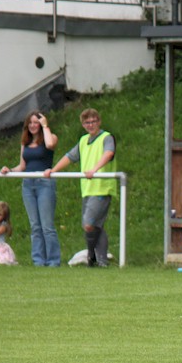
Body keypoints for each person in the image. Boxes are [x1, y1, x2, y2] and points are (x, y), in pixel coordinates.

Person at [45, 108, 116, 268]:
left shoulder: (106, 137)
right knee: (95, 226)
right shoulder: (84, 140)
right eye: (87, 122)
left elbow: (108, 154)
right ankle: (101, 260)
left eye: (93, 121)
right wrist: (54, 170)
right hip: (88, 189)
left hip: (102, 188)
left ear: (99, 122)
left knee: (90, 224)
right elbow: (70, 157)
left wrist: (95, 169)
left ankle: (92, 256)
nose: (90, 125)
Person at [1, 111, 61, 267]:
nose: (33, 125)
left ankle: (53, 261)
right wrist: (10, 170)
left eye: (36, 122)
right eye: (31, 123)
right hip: (28, 184)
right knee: (35, 226)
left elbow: (50, 145)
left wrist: (45, 126)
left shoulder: (50, 137)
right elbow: (22, 166)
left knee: (47, 226)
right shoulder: (25, 143)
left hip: (44, 184)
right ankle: (38, 261)